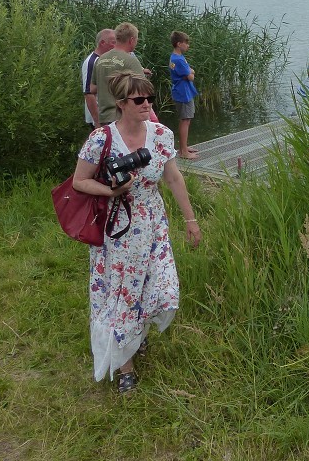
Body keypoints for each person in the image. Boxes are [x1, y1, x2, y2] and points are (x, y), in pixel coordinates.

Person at [72, 71, 202, 394]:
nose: (147, 104)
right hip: (118, 228)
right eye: (139, 99)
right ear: (121, 103)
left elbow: (173, 179)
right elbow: (79, 181)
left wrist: (191, 220)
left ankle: (137, 334)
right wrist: (111, 190)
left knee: (161, 286)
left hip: (153, 223)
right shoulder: (101, 139)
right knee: (123, 294)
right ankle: (125, 364)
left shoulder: (161, 135)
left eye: (150, 98)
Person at [93, 22, 153, 124]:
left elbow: (92, 88)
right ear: (131, 40)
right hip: (124, 119)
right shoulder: (131, 61)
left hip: (104, 117)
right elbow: (143, 92)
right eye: (136, 40)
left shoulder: (100, 59)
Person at [169, 30, 199, 159]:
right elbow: (191, 76)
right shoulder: (179, 59)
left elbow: (189, 72)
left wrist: (190, 72)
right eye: (186, 43)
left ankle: (184, 147)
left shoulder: (175, 57)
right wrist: (191, 72)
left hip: (182, 91)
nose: (188, 45)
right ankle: (183, 152)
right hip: (183, 93)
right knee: (185, 120)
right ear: (178, 44)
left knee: (185, 119)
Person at [82, 28, 116, 127]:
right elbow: (88, 93)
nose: (116, 46)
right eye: (113, 42)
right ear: (102, 43)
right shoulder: (92, 62)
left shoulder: (107, 60)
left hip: (110, 115)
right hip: (100, 117)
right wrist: (97, 121)